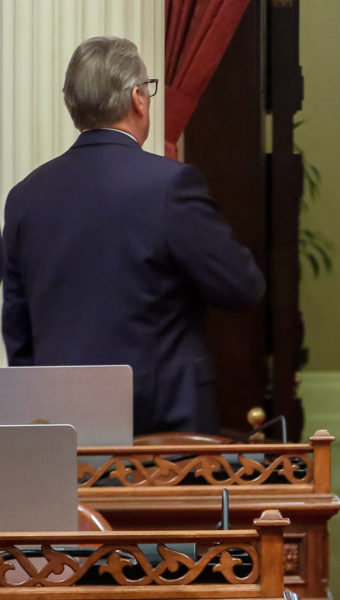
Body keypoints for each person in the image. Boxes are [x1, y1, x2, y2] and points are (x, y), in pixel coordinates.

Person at [3, 37, 264, 435]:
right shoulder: (171, 186)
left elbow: (17, 330)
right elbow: (241, 286)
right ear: (138, 98)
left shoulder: (25, 196)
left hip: (64, 429)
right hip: (165, 435)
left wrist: (42, 415)